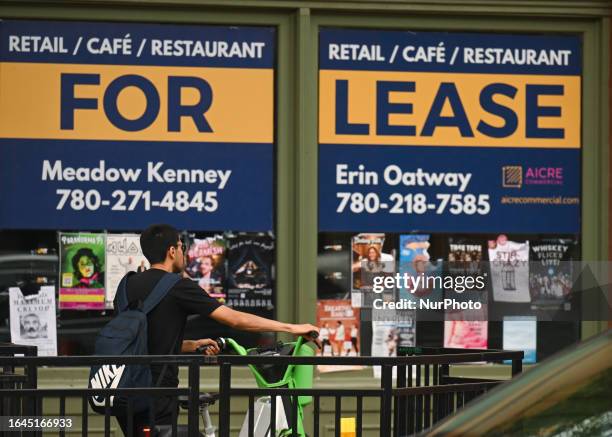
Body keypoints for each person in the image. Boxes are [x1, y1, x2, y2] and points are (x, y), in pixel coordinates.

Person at [112, 224, 319, 436]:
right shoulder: (177, 285)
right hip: (158, 393)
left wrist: (191, 345)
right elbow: (236, 320)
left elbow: (142, 342)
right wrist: (292, 327)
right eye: (183, 247)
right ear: (172, 251)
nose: (185, 253)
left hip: (123, 391)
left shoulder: (126, 286)